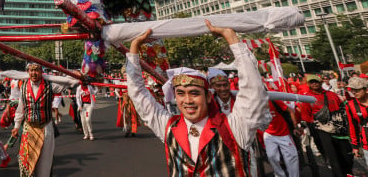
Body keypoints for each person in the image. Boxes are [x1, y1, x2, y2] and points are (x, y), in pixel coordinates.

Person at [125, 20, 270, 176]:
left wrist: (231, 39)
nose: (187, 100)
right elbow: (138, 94)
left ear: (208, 96)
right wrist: (134, 48)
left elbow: (254, 91)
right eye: (180, 93)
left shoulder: (233, 127)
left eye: (194, 93)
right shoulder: (168, 128)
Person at [11, 63, 76, 177]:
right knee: (27, 163)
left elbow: (70, 81)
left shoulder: (50, 85)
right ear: (28, 72)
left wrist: (78, 74)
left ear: (42, 72)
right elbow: (21, 109)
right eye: (31, 70)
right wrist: (16, 126)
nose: (33, 73)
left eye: (36, 70)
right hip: (29, 128)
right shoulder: (24, 86)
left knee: (44, 164)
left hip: (46, 128)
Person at [298, 73, 354, 176]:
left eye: (316, 81)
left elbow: (341, 107)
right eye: (311, 82)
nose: (314, 84)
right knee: (333, 158)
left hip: (339, 128)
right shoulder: (306, 98)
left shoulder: (331, 94)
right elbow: (306, 116)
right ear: (308, 84)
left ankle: (348, 172)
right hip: (322, 131)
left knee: (347, 155)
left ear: (320, 82)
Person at [264, 98, 300, 177]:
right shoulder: (253, 102)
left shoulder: (273, 98)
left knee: (291, 158)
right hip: (269, 134)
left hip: (284, 133)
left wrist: (295, 127)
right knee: (271, 157)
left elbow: (290, 110)